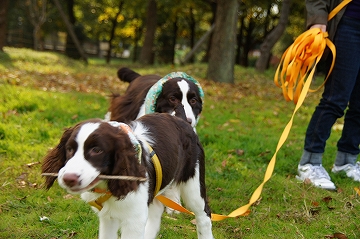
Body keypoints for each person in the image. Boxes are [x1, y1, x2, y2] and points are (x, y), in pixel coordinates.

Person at [296, 0, 360, 190]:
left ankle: (346, 161)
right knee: (336, 99)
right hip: (348, 23)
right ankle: (309, 162)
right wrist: (318, 18)